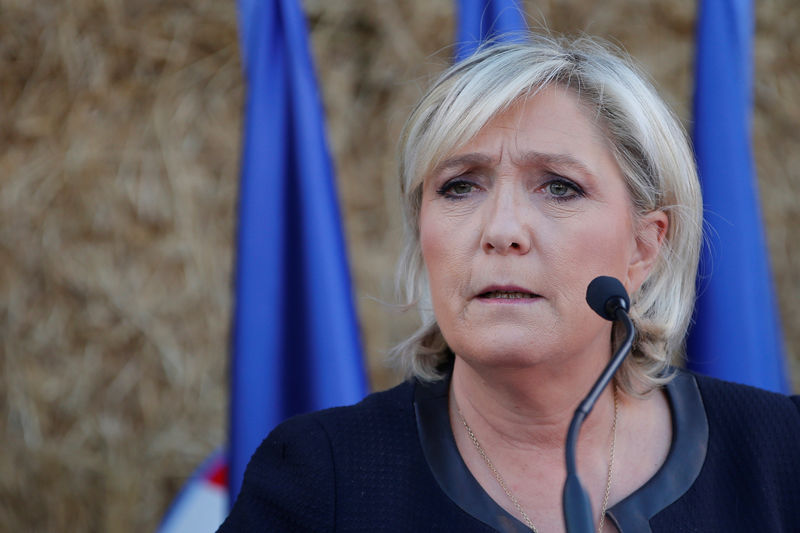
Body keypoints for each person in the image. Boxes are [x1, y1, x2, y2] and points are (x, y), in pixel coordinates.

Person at [219, 34, 800, 533]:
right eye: (459, 186)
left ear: (645, 246)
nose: (500, 231)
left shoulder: (783, 453)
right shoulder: (320, 479)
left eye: (559, 187)